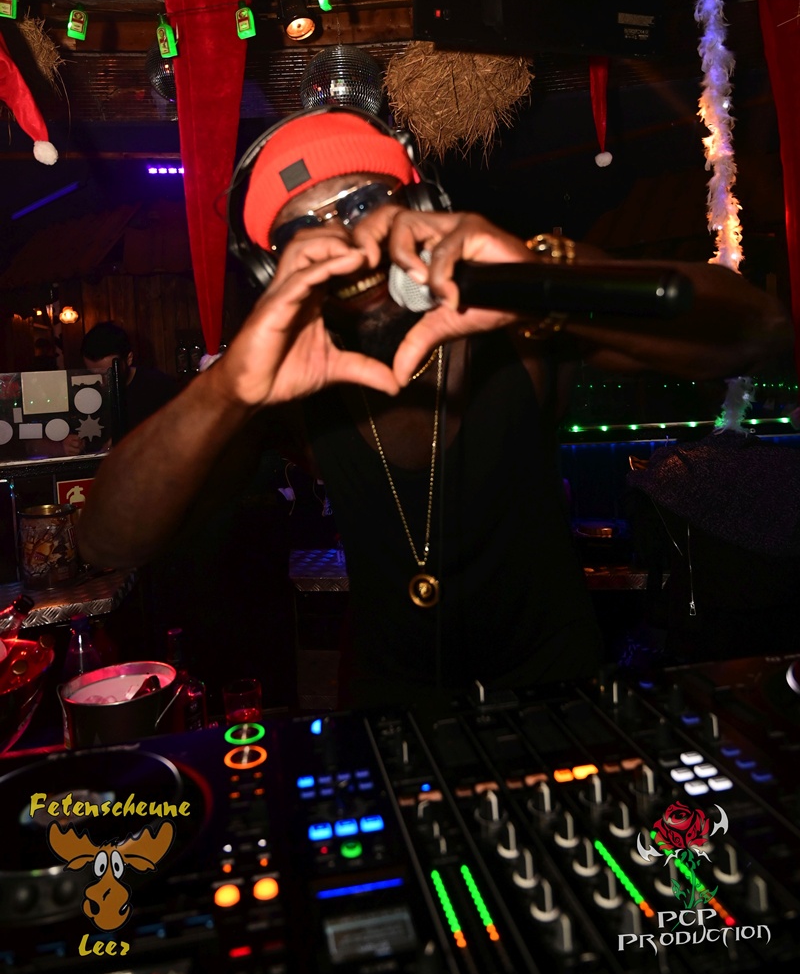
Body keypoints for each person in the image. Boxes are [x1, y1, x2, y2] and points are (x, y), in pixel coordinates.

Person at [76, 109, 792, 709]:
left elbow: (758, 334)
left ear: (419, 206)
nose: (348, 244)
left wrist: (544, 282)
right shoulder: (290, 389)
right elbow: (108, 541)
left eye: (363, 204)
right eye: (302, 235)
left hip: (556, 685)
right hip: (390, 701)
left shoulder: (524, 320)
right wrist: (228, 386)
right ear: (275, 269)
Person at [81, 321, 178, 437]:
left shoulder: (160, 386)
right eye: (94, 374)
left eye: (109, 374)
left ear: (129, 359)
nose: (102, 381)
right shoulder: (86, 392)